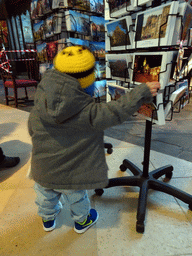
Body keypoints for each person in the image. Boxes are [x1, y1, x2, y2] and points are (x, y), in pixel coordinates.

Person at [28, 45, 160, 234]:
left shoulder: (40, 102)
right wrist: (141, 92)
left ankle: (48, 219)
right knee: (77, 198)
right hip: (71, 174)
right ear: (87, 80)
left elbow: (32, 130)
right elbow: (116, 110)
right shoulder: (87, 111)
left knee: (45, 195)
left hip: (42, 169)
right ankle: (82, 222)